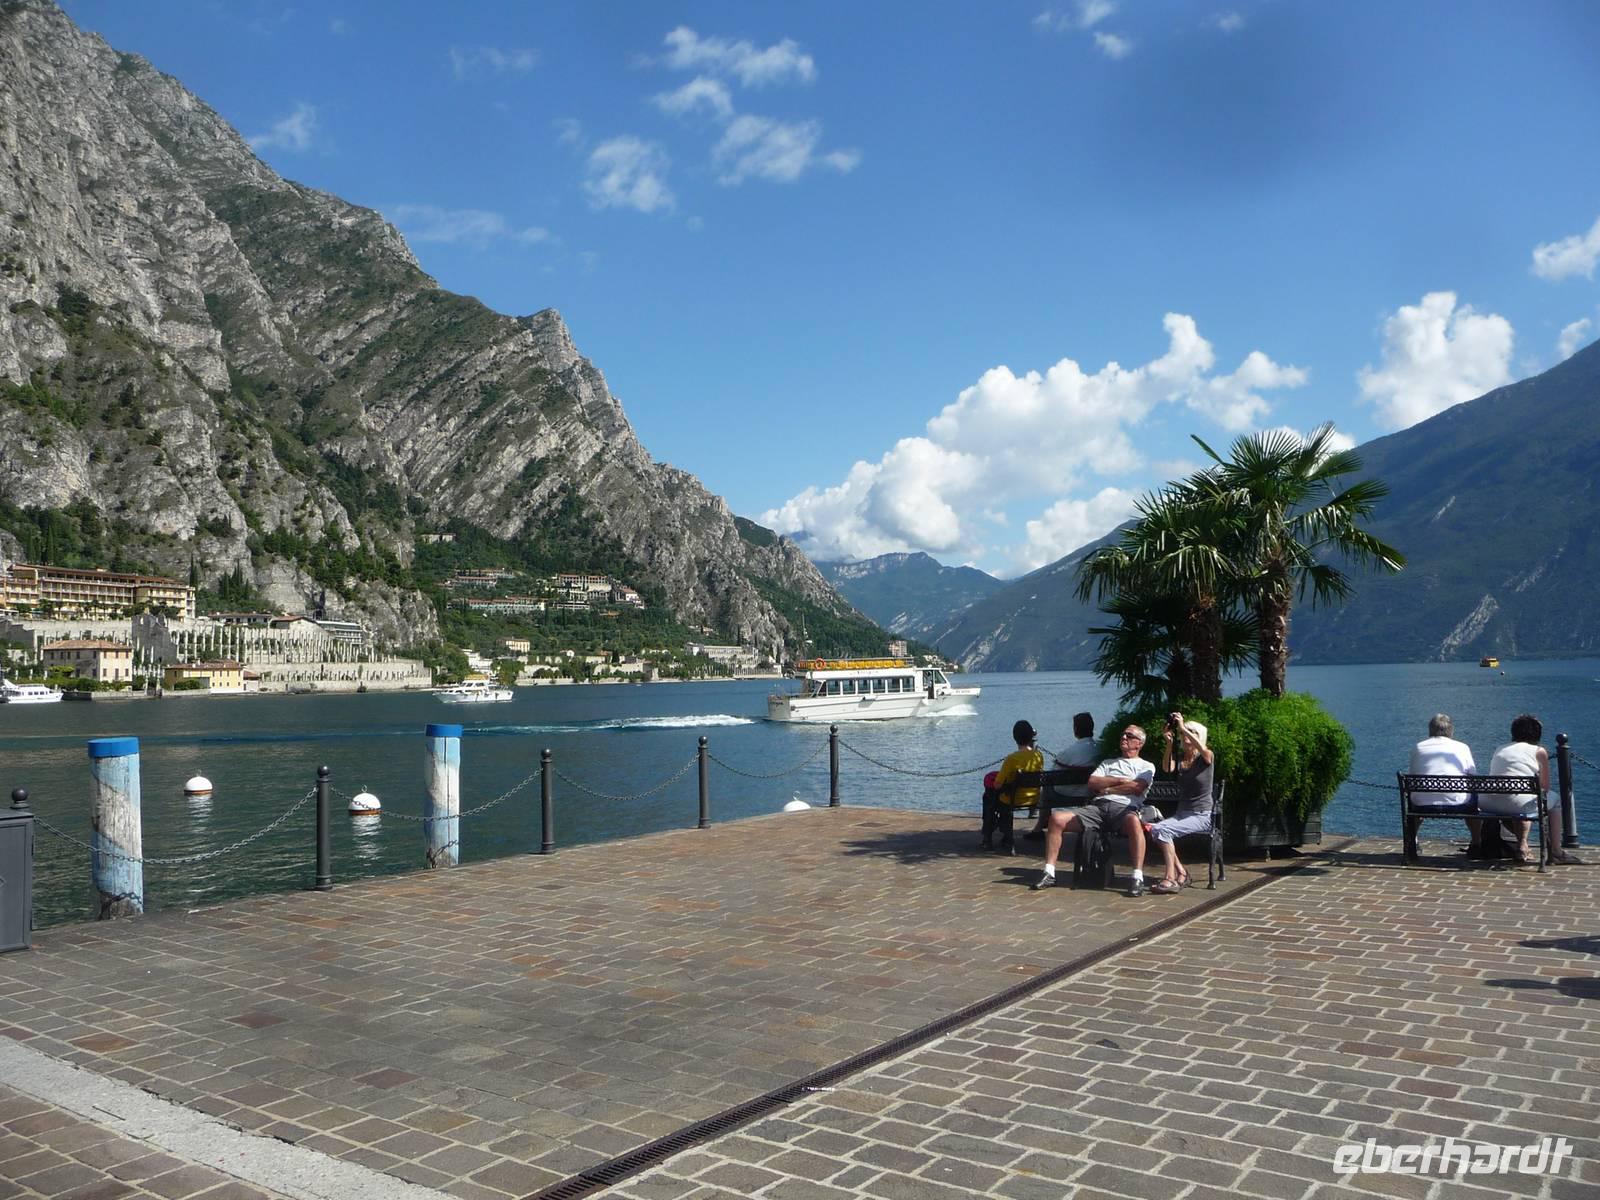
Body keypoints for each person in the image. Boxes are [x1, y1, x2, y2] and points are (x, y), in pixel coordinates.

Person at [1032, 724, 1155, 895]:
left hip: (1124, 809)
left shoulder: (1145, 766)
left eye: (1129, 736)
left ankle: (1137, 877)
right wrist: (1119, 780)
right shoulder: (1108, 763)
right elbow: (1093, 782)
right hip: (1098, 808)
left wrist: (1108, 787)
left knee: (1134, 822)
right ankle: (1049, 872)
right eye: (1123, 734)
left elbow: (1137, 787)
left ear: (1139, 743)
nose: (1124, 738)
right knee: (1056, 819)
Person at [1483, 713, 1584, 865]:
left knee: (1520, 799)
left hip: (1489, 803)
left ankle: (1521, 845)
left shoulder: (1500, 749)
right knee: (1553, 800)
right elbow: (1544, 787)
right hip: (1518, 803)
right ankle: (1556, 851)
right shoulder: (1539, 751)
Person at [1143, 711, 1214, 894]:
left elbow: (1203, 748)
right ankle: (1181, 872)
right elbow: (1167, 767)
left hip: (1201, 815)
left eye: (1192, 732)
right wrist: (1169, 744)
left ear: (1200, 737)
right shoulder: (1182, 760)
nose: (1186, 735)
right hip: (1182, 814)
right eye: (1184, 733)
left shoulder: (1206, 757)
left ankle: (1170, 878)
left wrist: (1183, 727)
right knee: (1155, 829)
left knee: (1162, 830)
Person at [1407, 714, 1479, 854]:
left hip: (1422, 803)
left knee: (1417, 798)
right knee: (1474, 803)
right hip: (1458, 802)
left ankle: (1412, 841)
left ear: (1430, 729)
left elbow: (1413, 775)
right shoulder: (1462, 747)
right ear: (1451, 730)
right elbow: (1473, 776)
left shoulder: (1419, 747)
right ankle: (1477, 843)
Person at [1023, 711, 1097, 841]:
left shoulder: (1068, 752)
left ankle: (1039, 826)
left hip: (1067, 794)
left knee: (1046, 784)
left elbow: (1053, 774)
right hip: (1091, 792)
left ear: (1075, 730)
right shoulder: (1100, 749)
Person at [981, 719, 1043, 855]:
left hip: (1013, 799)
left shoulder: (1012, 759)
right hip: (1033, 798)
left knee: (989, 798)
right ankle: (1002, 835)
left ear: (1015, 738)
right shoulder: (1038, 756)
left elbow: (997, 785)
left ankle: (988, 838)